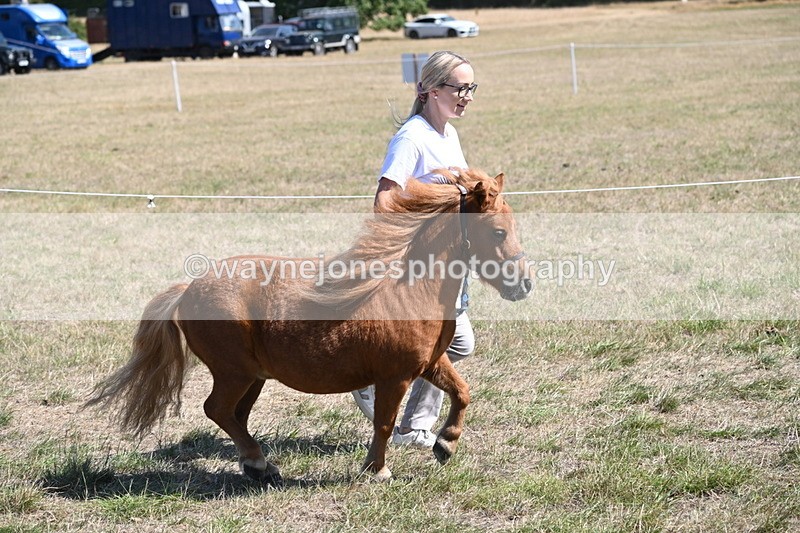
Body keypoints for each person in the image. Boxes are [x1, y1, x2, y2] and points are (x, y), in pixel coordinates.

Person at [351, 50, 479, 448]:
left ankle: (407, 421)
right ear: (429, 90)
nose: (467, 96)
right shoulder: (411, 137)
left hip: (448, 264)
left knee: (457, 342)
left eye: (471, 88)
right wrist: (432, 196)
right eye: (460, 88)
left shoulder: (449, 134)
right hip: (418, 267)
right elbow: (385, 200)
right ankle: (378, 393)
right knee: (456, 342)